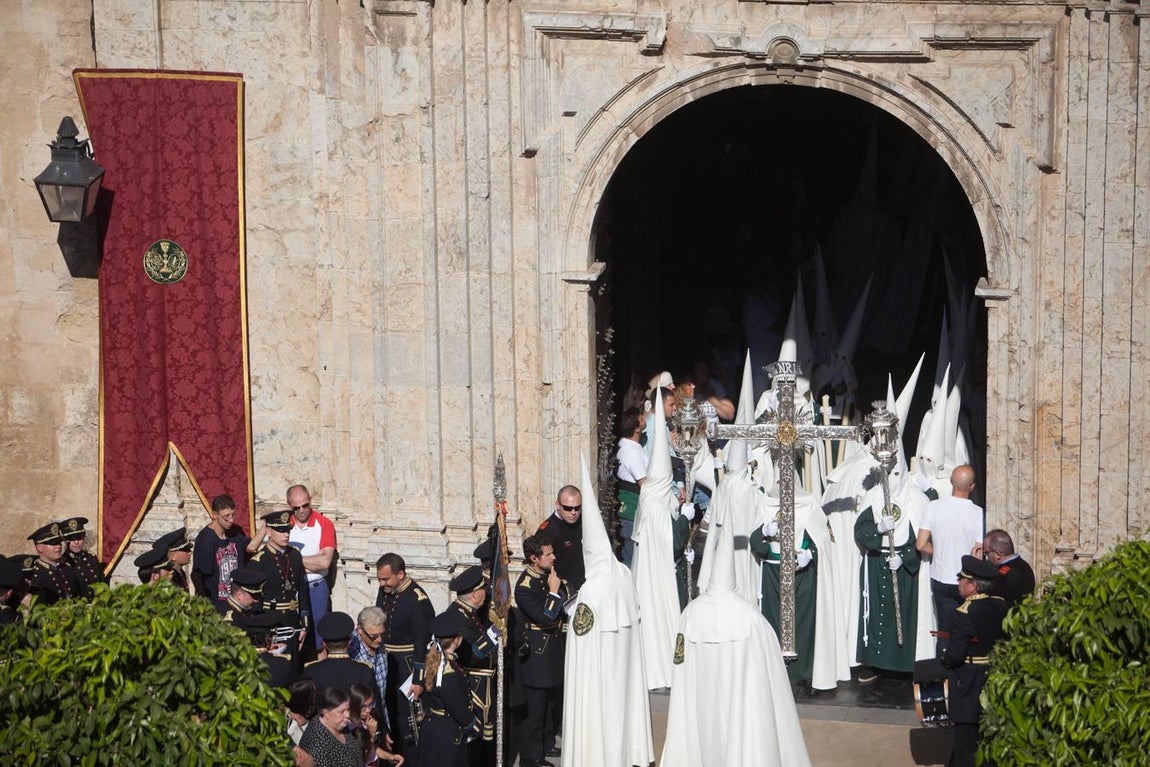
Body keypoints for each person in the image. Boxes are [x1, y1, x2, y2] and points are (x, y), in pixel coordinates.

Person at [661, 506, 811, 767]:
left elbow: (680, 664)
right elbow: (771, 674)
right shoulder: (750, 616)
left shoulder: (690, 614)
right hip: (742, 708)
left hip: (701, 706)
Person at [561, 458, 654, 767]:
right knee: (625, 712)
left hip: (601, 672)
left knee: (602, 716)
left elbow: (581, 643)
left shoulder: (590, 591)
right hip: (625, 667)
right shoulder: (625, 575)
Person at [632, 388, 690, 690]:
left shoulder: (647, 498)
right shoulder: (661, 502)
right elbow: (674, 542)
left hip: (649, 573)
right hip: (665, 572)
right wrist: (685, 519)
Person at [941, 555, 1009, 767]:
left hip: (969, 682)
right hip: (995, 677)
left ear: (973, 586)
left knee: (966, 743)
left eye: (962, 579)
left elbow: (956, 655)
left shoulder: (964, 612)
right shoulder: (1000, 605)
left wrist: (945, 659)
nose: (958, 583)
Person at [854, 485, 923, 677]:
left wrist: (906, 556)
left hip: (904, 569)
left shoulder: (915, 497)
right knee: (876, 615)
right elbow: (860, 530)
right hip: (876, 562)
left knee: (904, 613)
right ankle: (876, 663)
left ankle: (904, 665)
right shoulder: (873, 496)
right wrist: (878, 528)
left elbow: (924, 535)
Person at [513, 533, 570, 767]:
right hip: (538, 655)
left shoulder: (549, 575)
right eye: (548, 554)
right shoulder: (525, 587)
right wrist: (555, 591)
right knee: (535, 710)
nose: (554, 557)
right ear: (534, 558)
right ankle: (531, 757)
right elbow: (545, 617)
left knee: (551, 704)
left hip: (554, 651)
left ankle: (547, 743)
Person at [916, 465, 984, 656]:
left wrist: (938, 551)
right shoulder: (979, 513)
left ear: (951, 482)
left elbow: (921, 545)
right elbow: (977, 553)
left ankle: (943, 676)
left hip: (941, 578)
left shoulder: (933, 506)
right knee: (969, 632)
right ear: (972, 486)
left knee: (944, 633)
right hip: (968, 582)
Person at [374, 552, 435, 763]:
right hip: (386, 662)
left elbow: (423, 644)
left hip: (406, 667)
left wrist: (418, 680)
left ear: (400, 574)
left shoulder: (418, 600)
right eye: (380, 579)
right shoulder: (385, 591)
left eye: (386, 579)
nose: (382, 584)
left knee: (404, 719)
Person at [444, 565, 497, 765]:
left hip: (482, 682)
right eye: (484, 589)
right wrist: (493, 636)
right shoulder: (458, 616)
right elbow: (471, 654)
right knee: (476, 741)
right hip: (473, 683)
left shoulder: (469, 611)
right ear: (475, 595)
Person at [415, 610, 481, 767]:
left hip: (433, 728)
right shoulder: (448, 672)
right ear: (457, 640)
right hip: (447, 731)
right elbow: (456, 706)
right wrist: (474, 726)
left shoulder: (433, 660)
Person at [251, 509, 314, 665]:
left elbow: (303, 591)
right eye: (280, 530)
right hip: (270, 621)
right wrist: (262, 633)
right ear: (268, 531)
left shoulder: (295, 555)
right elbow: (255, 600)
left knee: (293, 665)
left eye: (287, 530)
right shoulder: (259, 561)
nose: (286, 534)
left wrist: (304, 625)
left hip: (292, 621)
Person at [287, 485, 337, 648]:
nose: (302, 510)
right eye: (296, 507)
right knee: (291, 638)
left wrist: (293, 561)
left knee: (319, 641)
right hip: (291, 590)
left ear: (310, 501)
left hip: (314, 587)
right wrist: (310, 562)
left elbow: (324, 562)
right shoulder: (283, 524)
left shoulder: (324, 524)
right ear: (289, 505)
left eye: (305, 505)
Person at [192, 493, 261, 613]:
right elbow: (197, 576)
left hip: (236, 603)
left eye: (233, 515)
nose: (231, 520)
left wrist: (266, 527)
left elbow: (251, 547)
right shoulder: (206, 539)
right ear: (214, 515)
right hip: (216, 606)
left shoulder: (234, 532)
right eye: (226, 516)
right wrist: (205, 607)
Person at [303, 612, 375, 699]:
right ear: (350, 642)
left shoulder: (311, 670)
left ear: (324, 643)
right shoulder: (365, 670)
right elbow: (375, 706)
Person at [348, 606, 392, 736]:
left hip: (380, 716)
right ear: (360, 630)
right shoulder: (351, 650)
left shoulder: (379, 645)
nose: (379, 640)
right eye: (374, 636)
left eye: (381, 634)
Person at [299, 686, 367, 767]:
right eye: (341, 711)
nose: (347, 715)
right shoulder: (317, 745)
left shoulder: (342, 724)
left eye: (348, 710)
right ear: (326, 713)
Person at [615, 406, 648, 567]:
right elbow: (644, 484)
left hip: (632, 513)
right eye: (642, 417)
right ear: (637, 427)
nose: (645, 418)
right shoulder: (631, 453)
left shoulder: (628, 446)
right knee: (632, 561)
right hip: (632, 514)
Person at [537, 485, 585, 590]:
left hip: (585, 585)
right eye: (567, 508)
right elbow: (543, 565)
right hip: (564, 590)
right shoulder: (547, 531)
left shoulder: (583, 520)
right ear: (557, 505)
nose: (573, 512)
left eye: (577, 508)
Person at [349, 682, 405, 766]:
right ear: (354, 706)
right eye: (364, 707)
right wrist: (371, 734)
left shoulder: (365, 720)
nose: (368, 710)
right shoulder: (350, 727)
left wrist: (389, 756)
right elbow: (362, 757)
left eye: (371, 704)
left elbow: (373, 748)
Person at [27, 522, 82, 604]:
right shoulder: (34, 576)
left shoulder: (68, 569)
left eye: (59, 542)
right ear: (39, 547)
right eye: (53, 543)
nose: (59, 546)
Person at [982, 529, 1036, 608]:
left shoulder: (1002, 575)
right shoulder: (1024, 565)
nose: (987, 557)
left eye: (987, 553)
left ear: (998, 554)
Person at [60, 516, 105, 598]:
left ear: (84, 537)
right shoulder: (63, 563)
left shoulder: (91, 558)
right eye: (72, 539)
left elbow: (102, 584)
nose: (76, 542)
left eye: (79, 538)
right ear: (65, 540)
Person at [152, 528, 194, 594]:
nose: (190, 553)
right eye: (186, 550)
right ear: (173, 556)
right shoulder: (169, 576)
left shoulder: (180, 572)